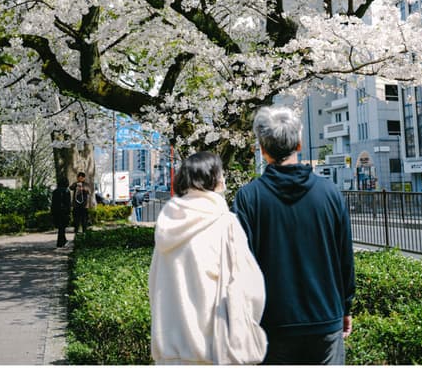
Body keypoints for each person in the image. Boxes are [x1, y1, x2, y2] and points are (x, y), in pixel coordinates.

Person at [232, 105, 355, 365]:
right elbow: (345, 257)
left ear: (262, 149)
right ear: (299, 144)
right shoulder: (330, 193)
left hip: (271, 324)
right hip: (325, 320)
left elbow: (239, 266)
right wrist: (345, 307)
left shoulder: (248, 198)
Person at [148, 151, 266, 365]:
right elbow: (252, 289)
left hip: (170, 354)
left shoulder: (167, 224)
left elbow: (154, 283)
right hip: (214, 350)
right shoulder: (225, 223)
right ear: (215, 180)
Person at [50, 178, 72, 248]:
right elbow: (68, 203)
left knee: (60, 227)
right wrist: (69, 211)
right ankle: (60, 242)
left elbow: (53, 203)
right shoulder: (66, 191)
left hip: (56, 211)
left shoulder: (55, 191)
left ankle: (63, 241)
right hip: (64, 211)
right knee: (62, 227)